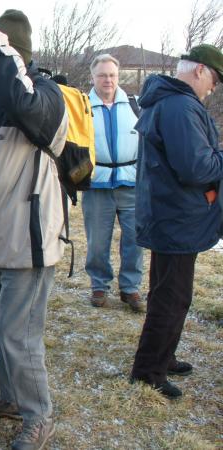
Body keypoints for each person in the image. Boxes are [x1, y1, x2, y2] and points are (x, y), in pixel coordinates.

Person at [0, 10, 67, 450]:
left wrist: (4, 50)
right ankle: (12, 398)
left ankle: (38, 415)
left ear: (12, 52)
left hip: (28, 240)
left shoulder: (45, 94)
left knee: (19, 334)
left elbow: (30, 109)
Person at [130, 44, 223, 399]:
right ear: (199, 70)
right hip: (176, 216)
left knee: (169, 293)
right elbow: (196, 167)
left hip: (170, 213)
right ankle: (148, 371)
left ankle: (162, 357)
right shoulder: (180, 106)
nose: (213, 88)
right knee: (172, 296)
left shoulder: (167, 101)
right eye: (213, 79)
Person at [83, 54, 144, 311]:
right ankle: (99, 285)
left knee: (135, 240)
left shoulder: (135, 105)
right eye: (102, 75)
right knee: (98, 241)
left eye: (112, 75)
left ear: (117, 77)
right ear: (93, 77)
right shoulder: (83, 107)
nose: (108, 80)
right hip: (97, 185)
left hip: (131, 184)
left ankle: (130, 288)